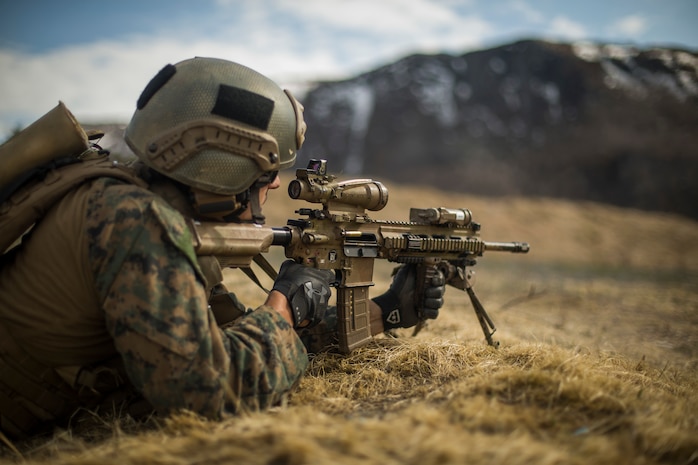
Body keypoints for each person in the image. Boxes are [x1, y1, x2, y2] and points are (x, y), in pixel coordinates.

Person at [0, 57, 444, 439]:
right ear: (226, 165)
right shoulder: (135, 222)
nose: (274, 182)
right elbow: (206, 391)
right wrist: (285, 305)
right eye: (269, 169)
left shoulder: (138, 205)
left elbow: (235, 342)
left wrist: (386, 310)